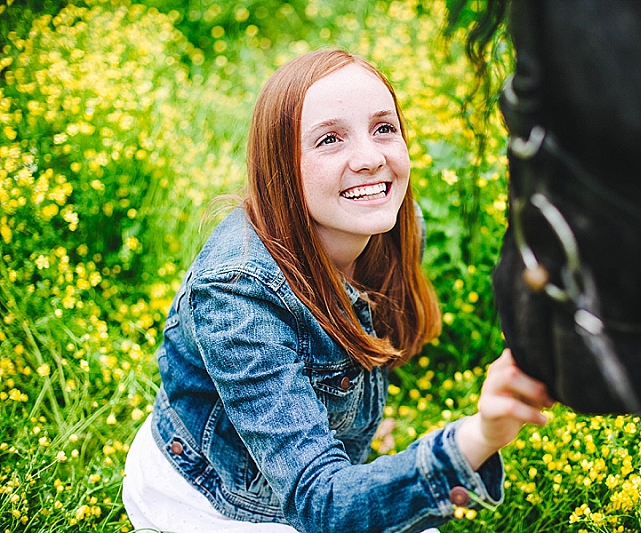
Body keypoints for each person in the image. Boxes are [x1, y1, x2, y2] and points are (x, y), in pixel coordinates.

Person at [122, 48, 553, 533]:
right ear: (281, 167)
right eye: (330, 139)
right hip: (214, 501)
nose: (371, 159)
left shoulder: (390, 224)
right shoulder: (237, 297)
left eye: (384, 128)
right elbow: (323, 504)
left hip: (308, 482)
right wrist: (481, 433)